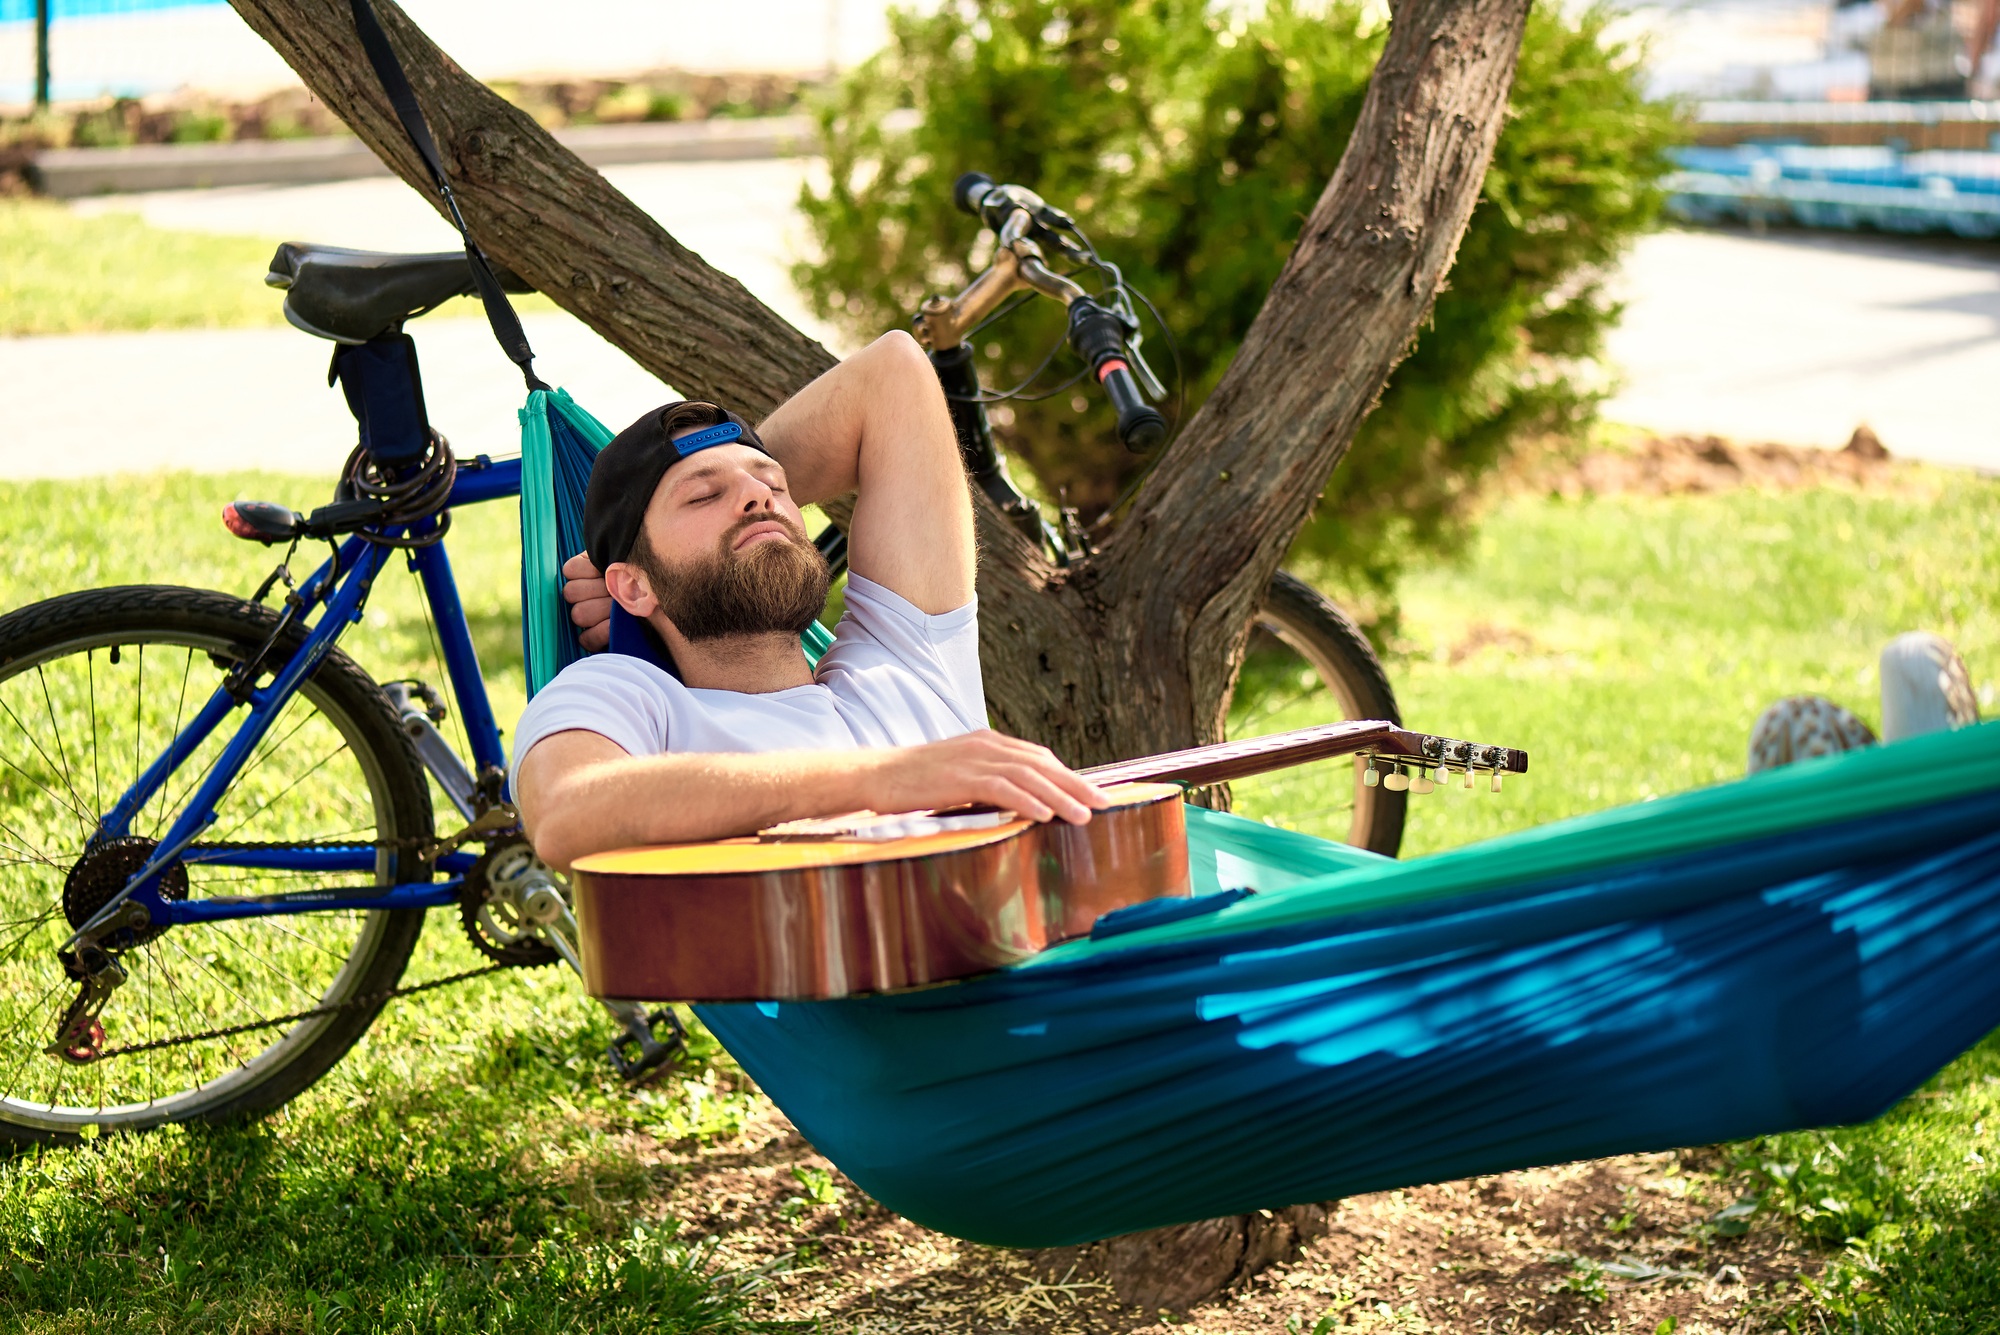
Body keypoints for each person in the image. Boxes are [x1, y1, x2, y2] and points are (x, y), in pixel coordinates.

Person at [511, 331, 1110, 870]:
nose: (759, 495)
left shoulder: (905, 658)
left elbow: (892, 373)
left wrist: (711, 498)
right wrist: (881, 780)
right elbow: (566, 814)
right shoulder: (632, 695)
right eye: (702, 496)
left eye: (775, 485)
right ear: (632, 586)